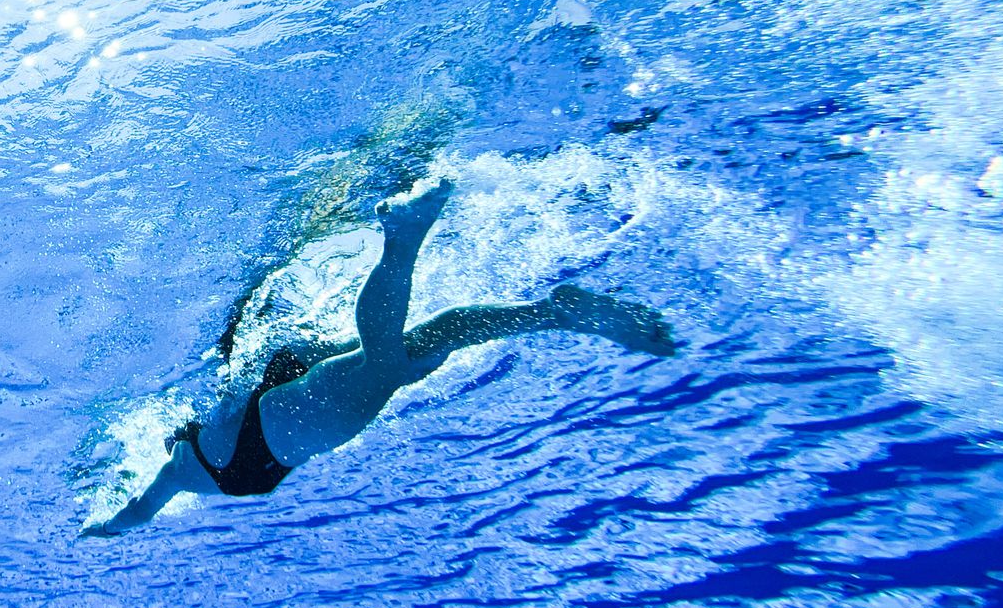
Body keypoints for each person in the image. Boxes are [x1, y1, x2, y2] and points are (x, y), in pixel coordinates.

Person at [84, 176, 678, 535]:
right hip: (279, 397)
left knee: (389, 364)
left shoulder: (186, 470)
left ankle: (405, 237)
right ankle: (555, 312)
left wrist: (104, 529)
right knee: (427, 344)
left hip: (275, 437)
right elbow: (140, 505)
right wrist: (108, 523)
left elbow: (140, 511)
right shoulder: (192, 453)